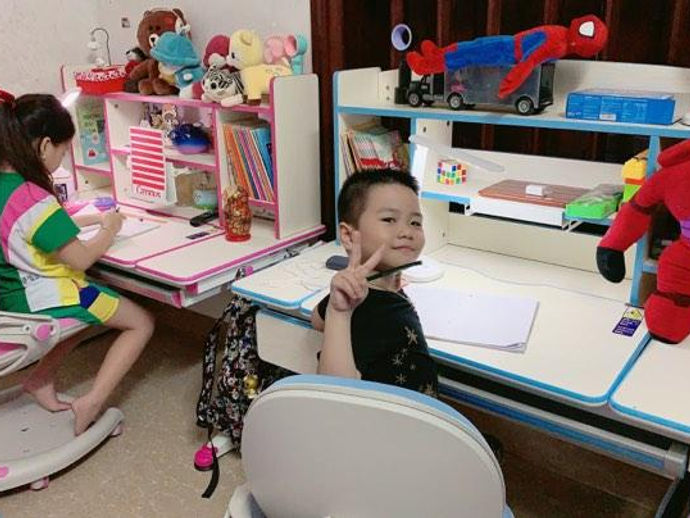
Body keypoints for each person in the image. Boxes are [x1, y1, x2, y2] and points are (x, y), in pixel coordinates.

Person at [0, 91, 154, 435]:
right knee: (140, 322)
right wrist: (110, 229)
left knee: (88, 313)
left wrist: (87, 219)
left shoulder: (7, 188)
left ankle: (40, 379)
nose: (63, 157)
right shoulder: (33, 198)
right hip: (47, 299)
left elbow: (25, 230)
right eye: (64, 149)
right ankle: (93, 401)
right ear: (44, 146)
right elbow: (82, 258)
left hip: (10, 299)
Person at [311, 168, 438, 396]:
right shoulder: (355, 307)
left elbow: (316, 319)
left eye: (415, 222)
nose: (407, 232)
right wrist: (339, 314)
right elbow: (335, 394)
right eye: (389, 219)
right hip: (396, 417)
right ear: (348, 236)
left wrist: (334, 310)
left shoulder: (371, 292)